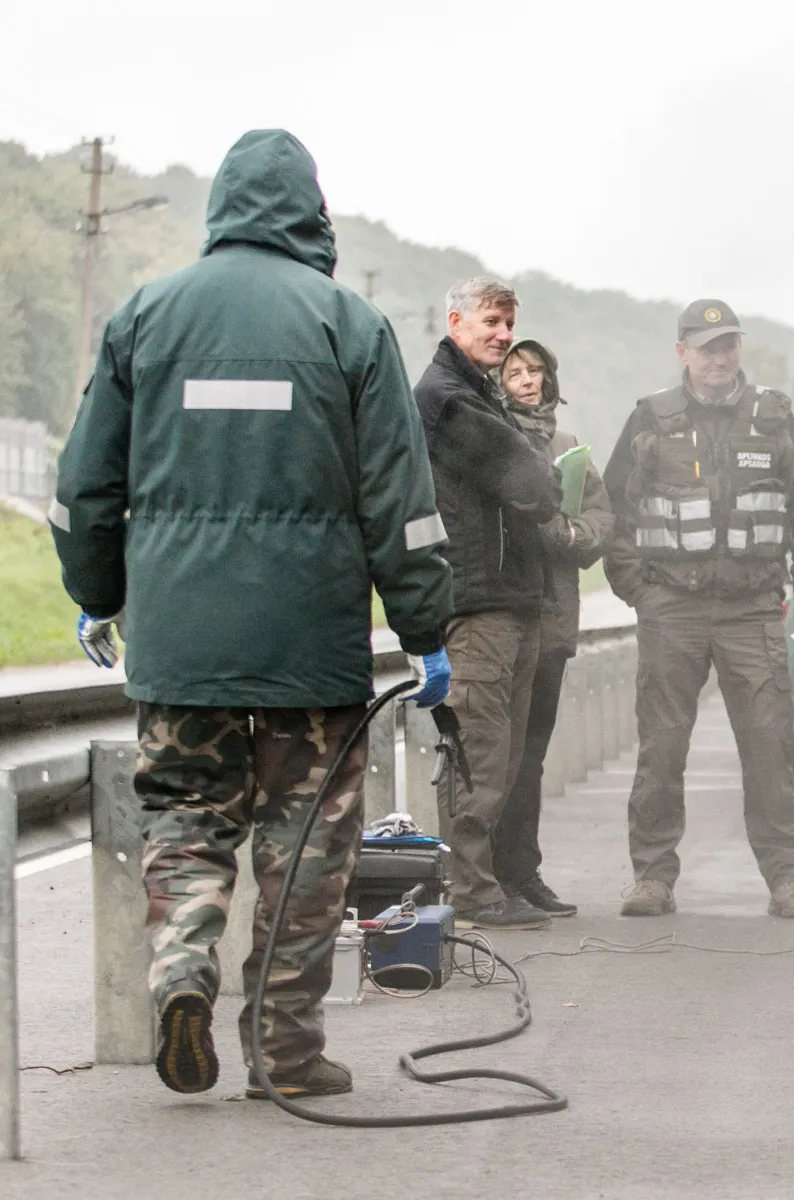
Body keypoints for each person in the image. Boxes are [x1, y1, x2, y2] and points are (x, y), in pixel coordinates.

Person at [49, 129, 454, 1099]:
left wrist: (97, 593)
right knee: (304, 850)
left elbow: (84, 488)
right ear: (312, 218)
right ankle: (286, 1050)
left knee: (186, 828)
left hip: (181, 651)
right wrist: (426, 629)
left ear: (221, 210)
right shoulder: (349, 328)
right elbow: (401, 502)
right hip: (308, 655)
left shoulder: (145, 317)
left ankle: (180, 974)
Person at [602, 298, 794, 919]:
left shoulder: (773, 417)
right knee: (662, 747)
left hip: (751, 610)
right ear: (683, 353)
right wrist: (640, 593)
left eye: (728, 345)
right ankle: (652, 876)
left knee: (768, 745)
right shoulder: (650, 419)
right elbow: (613, 514)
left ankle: (787, 877)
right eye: (707, 348)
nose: (719, 358)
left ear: (739, 350)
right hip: (671, 608)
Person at [414, 279, 564, 931]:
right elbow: (531, 477)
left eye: (509, 324)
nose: (503, 335)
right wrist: (543, 484)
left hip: (511, 598)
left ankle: (492, 882)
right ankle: (472, 893)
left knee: (502, 754)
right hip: (477, 603)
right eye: (491, 322)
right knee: (478, 754)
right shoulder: (448, 398)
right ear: (455, 320)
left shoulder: (482, 392)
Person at [491, 338, 613, 916]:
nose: (527, 379)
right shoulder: (485, 437)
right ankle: (484, 878)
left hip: (553, 620)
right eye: (515, 370)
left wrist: (569, 535)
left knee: (532, 756)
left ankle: (524, 874)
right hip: (499, 617)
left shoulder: (571, 450)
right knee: (495, 755)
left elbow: (603, 519)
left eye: (536, 370)